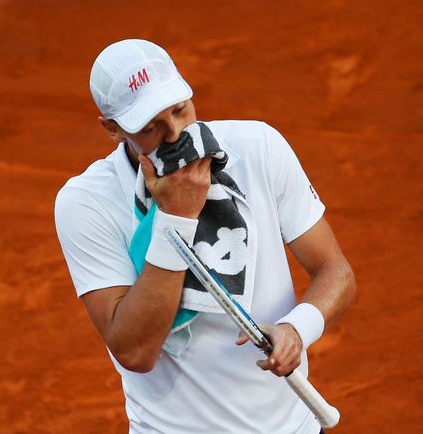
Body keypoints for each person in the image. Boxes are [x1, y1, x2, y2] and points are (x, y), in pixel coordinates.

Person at [54, 38, 356, 433]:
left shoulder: (259, 147)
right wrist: (175, 218)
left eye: (179, 110)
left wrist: (297, 329)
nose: (175, 132)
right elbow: (136, 350)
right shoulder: (86, 202)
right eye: (151, 127)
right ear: (112, 129)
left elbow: (335, 270)